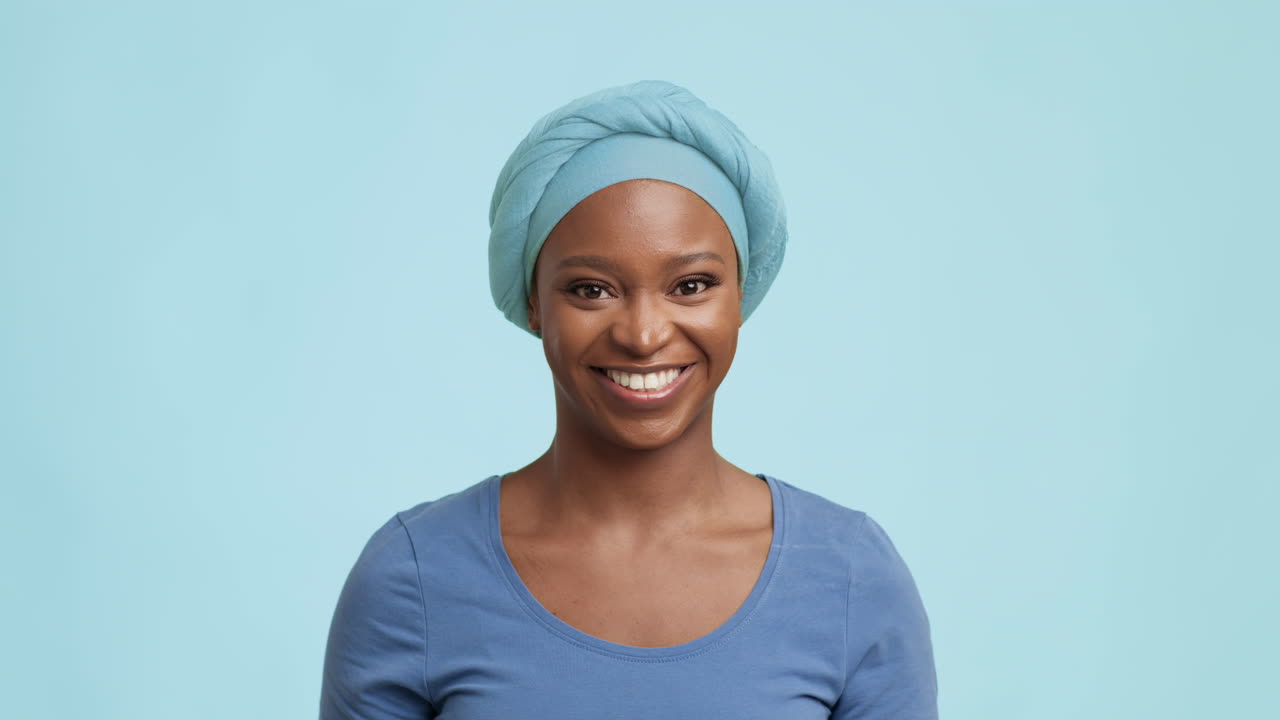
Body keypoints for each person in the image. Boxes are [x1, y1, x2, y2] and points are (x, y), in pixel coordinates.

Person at [319, 80, 938, 719]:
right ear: (534, 303)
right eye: (591, 290)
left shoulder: (849, 579)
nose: (643, 336)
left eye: (691, 285)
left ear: (741, 297)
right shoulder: (415, 579)